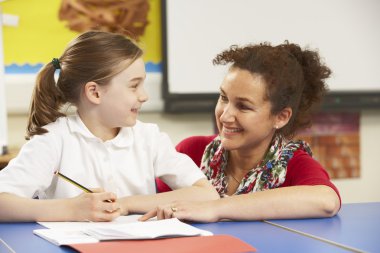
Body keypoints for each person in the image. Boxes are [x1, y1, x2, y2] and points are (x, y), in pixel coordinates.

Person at [0, 31, 219, 222]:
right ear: (95, 92)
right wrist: (72, 209)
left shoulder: (149, 138)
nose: (144, 96)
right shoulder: (53, 139)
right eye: (134, 86)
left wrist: (127, 203)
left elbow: (207, 194)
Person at [141, 41, 341, 222]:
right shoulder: (193, 151)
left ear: (281, 117)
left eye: (243, 107)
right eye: (223, 98)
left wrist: (215, 208)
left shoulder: (294, 164)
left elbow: (327, 201)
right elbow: (152, 203)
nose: (225, 116)